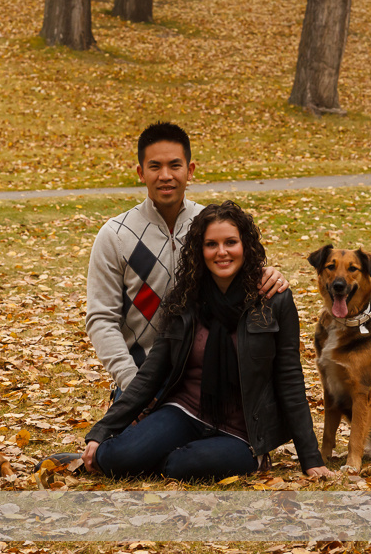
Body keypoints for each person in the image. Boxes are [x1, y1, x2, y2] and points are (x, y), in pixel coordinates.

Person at [81, 201, 332, 480]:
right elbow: (152, 372)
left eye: (231, 242)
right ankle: (139, 452)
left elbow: (289, 377)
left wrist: (310, 457)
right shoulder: (185, 297)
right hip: (185, 411)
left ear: (245, 246)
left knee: (181, 465)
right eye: (211, 244)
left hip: (240, 429)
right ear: (200, 250)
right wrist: (103, 431)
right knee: (116, 457)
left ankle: (250, 458)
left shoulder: (274, 300)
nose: (221, 252)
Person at [86, 123, 288, 397]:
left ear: (190, 170)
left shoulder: (211, 226)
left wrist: (269, 275)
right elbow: (101, 319)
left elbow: (243, 273)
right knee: (125, 442)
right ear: (140, 173)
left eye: (175, 165)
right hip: (141, 377)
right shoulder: (115, 236)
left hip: (208, 377)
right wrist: (133, 387)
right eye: (155, 166)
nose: (165, 175)